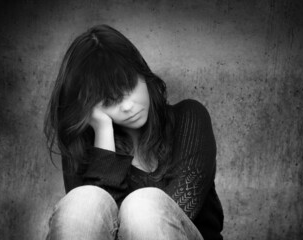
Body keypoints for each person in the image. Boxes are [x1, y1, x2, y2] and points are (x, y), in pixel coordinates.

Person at [44, 24, 224, 240]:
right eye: (109, 100)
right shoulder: (82, 148)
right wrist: (103, 132)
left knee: (144, 205)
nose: (128, 106)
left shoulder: (189, 118)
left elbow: (172, 215)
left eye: (129, 86)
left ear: (142, 73)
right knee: (84, 201)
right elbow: (97, 227)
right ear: (90, 107)